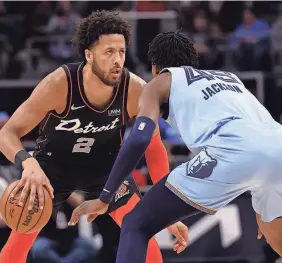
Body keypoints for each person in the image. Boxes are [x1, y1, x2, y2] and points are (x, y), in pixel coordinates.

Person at [69, 30, 282, 263]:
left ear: (155, 67)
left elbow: (140, 139)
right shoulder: (229, 78)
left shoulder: (160, 82)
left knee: (135, 224)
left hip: (233, 152)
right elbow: (258, 143)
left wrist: (105, 197)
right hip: (276, 145)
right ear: (193, 61)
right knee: (273, 232)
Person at [0, 11, 185, 263]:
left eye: (122, 51)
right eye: (109, 52)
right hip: (52, 167)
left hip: (105, 168)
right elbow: (6, 134)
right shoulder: (60, 84)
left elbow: (154, 149)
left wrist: (165, 209)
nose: (118, 60)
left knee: (145, 238)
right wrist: (28, 163)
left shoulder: (136, 90)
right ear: (88, 54)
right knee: (21, 237)